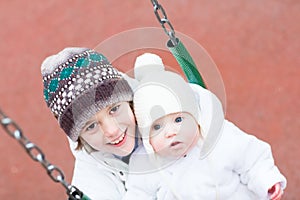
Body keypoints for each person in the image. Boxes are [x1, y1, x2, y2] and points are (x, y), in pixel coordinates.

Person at [124, 53, 287, 200]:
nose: (171, 132)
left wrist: (267, 180)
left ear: (196, 117)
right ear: (146, 138)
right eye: (157, 127)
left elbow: (252, 159)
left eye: (179, 119)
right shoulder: (146, 163)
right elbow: (138, 193)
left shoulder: (220, 138)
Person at [41, 47, 140, 199]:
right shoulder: (89, 181)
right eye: (91, 126)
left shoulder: (170, 117)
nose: (112, 131)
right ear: (79, 137)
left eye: (114, 109)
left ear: (130, 100)